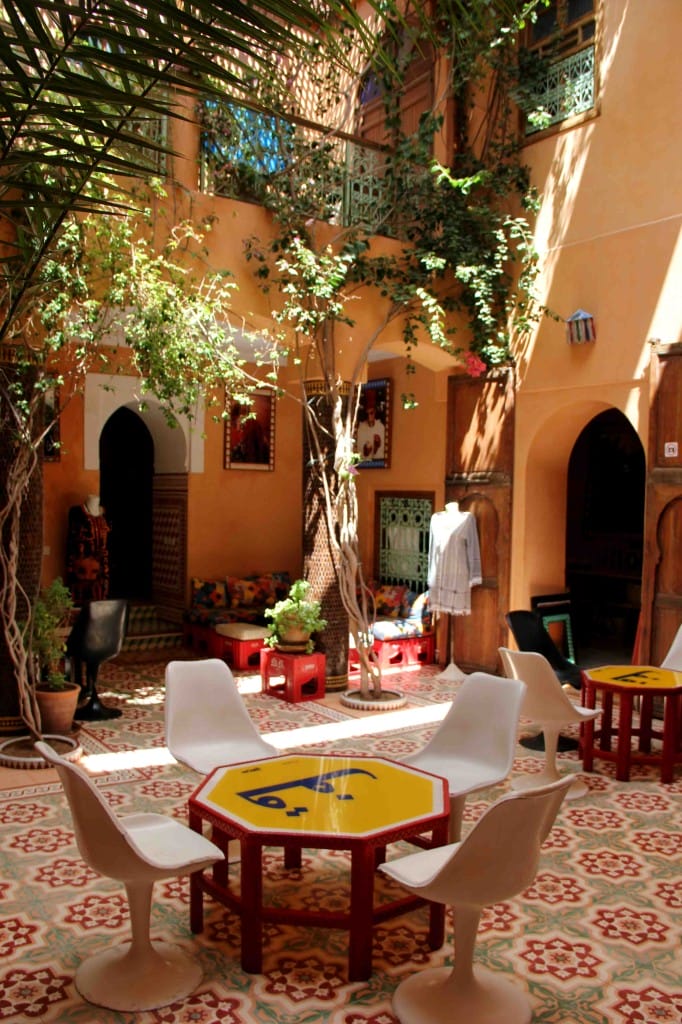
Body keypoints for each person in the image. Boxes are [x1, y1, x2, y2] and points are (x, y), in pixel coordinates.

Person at [66, 495, 111, 603]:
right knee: (80, 583)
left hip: (99, 561)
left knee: (98, 587)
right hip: (82, 561)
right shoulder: (76, 513)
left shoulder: (103, 518)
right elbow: (72, 538)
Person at [357, 397, 385, 461]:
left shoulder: (381, 427)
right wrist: (366, 450)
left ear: (375, 412)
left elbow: (382, 450)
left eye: (371, 413)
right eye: (367, 414)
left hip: (379, 462)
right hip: (365, 463)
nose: (369, 416)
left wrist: (377, 446)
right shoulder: (361, 428)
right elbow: (360, 452)